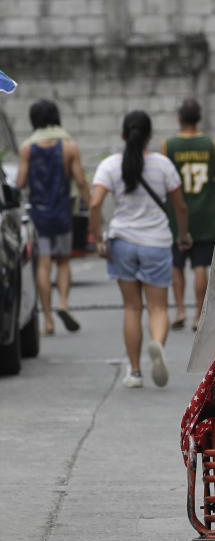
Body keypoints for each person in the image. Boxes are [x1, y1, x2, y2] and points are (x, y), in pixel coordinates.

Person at [88, 110, 192, 388]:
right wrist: (183, 234)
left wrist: (98, 238)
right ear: (149, 136)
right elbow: (180, 206)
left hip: (122, 242)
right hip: (156, 243)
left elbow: (95, 204)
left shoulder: (109, 165)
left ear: (123, 135)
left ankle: (134, 372)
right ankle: (156, 343)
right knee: (158, 307)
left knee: (132, 308)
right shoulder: (163, 165)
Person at [15, 99, 91, 335]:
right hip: (62, 212)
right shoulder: (69, 146)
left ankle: (47, 319)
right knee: (64, 261)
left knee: (43, 265)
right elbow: (80, 181)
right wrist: (90, 205)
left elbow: (19, 183)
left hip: (39, 215)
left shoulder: (28, 148)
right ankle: (63, 304)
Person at [162, 99, 215, 332]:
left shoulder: (168, 146)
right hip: (206, 213)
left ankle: (180, 309)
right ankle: (197, 315)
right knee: (200, 265)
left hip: (177, 213)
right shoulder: (210, 145)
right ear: (199, 118)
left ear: (179, 118)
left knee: (177, 263)